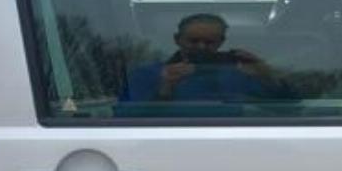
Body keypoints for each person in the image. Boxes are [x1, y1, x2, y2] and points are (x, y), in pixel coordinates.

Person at [120, 13, 285, 103]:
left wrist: (267, 76)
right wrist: (165, 89)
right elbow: (127, 119)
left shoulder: (241, 72)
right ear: (177, 40)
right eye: (194, 41)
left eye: (209, 42)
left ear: (221, 42)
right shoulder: (147, 74)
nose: (201, 47)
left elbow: (287, 109)